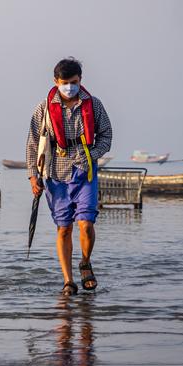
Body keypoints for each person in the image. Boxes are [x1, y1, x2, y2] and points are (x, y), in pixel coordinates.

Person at [26, 57, 112, 295]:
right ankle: (68, 280)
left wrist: (91, 154)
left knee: (86, 223)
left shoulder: (93, 105)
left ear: (80, 80)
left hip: (85, 172)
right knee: (64, 228)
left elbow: (106, 137)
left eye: (73, 82)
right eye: (65, 82)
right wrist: (34, 177)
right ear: (56, 81)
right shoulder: (43, 108)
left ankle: (85, 262)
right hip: (55, 173)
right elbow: (33, 144)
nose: (69, 87)